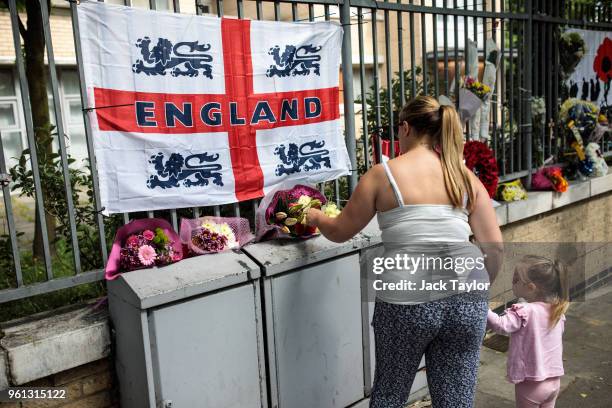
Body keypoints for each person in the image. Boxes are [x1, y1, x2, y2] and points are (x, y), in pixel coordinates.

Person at [305, 96, 503, 408]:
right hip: (467, 294)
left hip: (407, 298)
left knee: (390, 394)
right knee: (457, 399)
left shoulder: (382, 175)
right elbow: (495, 249)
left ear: (406, 127)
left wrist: (316, 217)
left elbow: (340, 232)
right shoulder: (465, 178)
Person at [487, 256, 569, 408]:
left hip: (531, 385)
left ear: (530, 287)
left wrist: (481, 307)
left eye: (516, 279)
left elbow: (500, 325)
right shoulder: (557, 311)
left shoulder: (525, 311)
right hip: (554, 382)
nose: (512, 282)